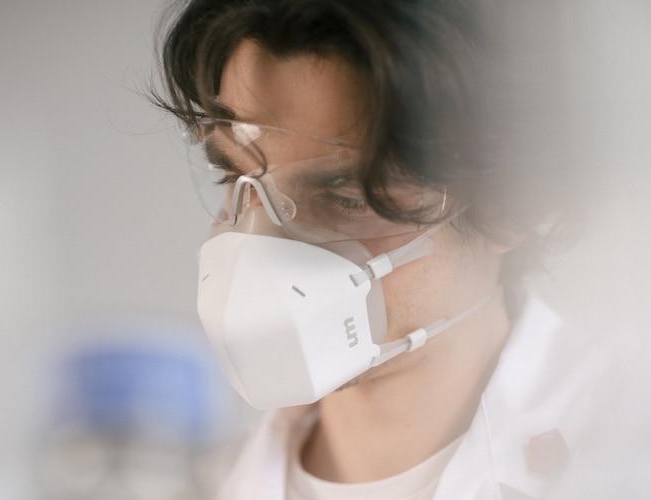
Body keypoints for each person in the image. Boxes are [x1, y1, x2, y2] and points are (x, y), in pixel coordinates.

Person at [150, 1, 606, 498]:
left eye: (344, 198)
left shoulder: (622, 454)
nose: (258, 241)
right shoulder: (198, 484)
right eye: (236, 175)